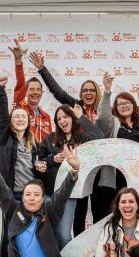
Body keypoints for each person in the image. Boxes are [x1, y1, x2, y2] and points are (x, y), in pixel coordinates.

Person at [0, 139, 77, 257]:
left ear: (43, 199)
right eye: (28, 195)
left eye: (36, 195)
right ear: (22, 197)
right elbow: (1, 189)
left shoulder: (51, 211)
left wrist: (74, 171)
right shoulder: (13, 209)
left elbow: (62, 194)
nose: (32, 198)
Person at [38, 104, 103, 246]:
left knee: (64, 235)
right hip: (50, 194)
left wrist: (82, 117)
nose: (62, 121)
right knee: (49, 234)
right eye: (58, 119)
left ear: (73, 118)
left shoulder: (82, 138)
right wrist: (52, 159)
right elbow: (37, 162)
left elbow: (100, 137)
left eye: (66, 117)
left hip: (70, 194)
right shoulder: (50, 139)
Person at [95, 72, 139, 219]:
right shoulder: (113, 123)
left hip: (137, 181)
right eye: (120, 104)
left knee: (136, 218)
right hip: (113, 180)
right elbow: (101, 118)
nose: (124, 106)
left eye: (127, 103)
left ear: (134, 106)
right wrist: (107, 92)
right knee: (108, 219)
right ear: (116, 108)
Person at [29, 51, 101, 123]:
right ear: (81, 94)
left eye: (92, 90)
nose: (88, 92)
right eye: (85, 90)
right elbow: (58, 92)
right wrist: (42, 69)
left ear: (97, 93)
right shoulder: (76, 106)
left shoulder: (104, 110)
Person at [10, 40, 52, 143]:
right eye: (31, 89)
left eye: (38, 90)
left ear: (42, 92)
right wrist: (18, 61)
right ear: (26, 92)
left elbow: (50, 143)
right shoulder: (20, 108)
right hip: (25, 155)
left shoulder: (46, 116)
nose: (35, 92)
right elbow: (20, 84)